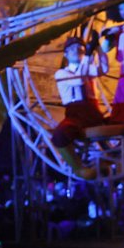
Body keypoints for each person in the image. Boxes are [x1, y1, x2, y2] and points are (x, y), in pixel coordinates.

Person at [50, 34, 109, 178]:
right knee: (60, 134)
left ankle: (112, 159)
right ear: (65, 54)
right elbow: (78, 81)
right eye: (72, 49)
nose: (76, 51)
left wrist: (99, 49)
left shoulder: (87, 68)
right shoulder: (62, 73)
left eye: (80, 48)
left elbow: (104, 69)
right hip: (76, 112)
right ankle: (78, 167)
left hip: (92, 110)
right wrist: (88, 56)